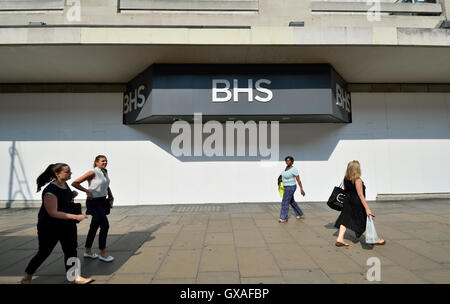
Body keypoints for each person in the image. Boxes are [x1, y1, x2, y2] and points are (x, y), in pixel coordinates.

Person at [21, 163, 93, 284]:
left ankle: (74, 277)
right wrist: (76, 216)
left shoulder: (65, 185)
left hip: (67, 225)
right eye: (68, 172)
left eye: (70, 171)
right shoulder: (50, 190)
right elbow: (53, 212)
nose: (70, 173)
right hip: (49, 227)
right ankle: (27, 276)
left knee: (71, 250)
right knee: (44, 252)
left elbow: (63, 199)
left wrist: (71, 194)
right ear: (57, 173)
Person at [72, 155, 114, 262]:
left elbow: (106, 185)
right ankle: (103, 253)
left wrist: (111, 195)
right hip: (94, 202)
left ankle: (87, 251)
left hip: (103, 201)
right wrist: (87, 191)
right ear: (96, 162)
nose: (105, 163)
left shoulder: (104, 171)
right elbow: (75, 183)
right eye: (102, 161)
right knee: (105, 225)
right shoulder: (92, 172)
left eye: (106, 161)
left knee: (94, 226)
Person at [334, 160, 386, 247]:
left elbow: (347, 190)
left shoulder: (345, 178)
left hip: (347, 201)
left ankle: (340, 238)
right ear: (357, 169)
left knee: (345, 219)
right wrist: (367, 208)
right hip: (356, 203)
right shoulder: (357, 180)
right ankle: (373, 239)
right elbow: (360, 195)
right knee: (363, 220)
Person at [279, 156, 306, 223]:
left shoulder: (294, 169)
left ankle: (284, 218)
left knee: (285, 202)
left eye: (289, 160)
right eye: (286, 160)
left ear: (292, 161)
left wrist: (301, 189)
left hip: (291, 187)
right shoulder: (286, 168)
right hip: (286, 187)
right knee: (291, 201)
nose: (287, 162)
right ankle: (299, 214)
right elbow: (283, 176)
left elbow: (298, 180)